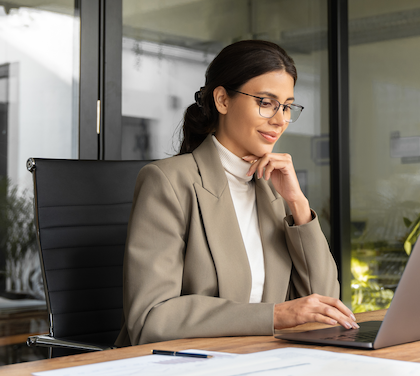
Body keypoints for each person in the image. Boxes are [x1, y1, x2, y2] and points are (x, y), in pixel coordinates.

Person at [115, 40, 357, 346]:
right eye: (266, 102)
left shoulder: (275, 189)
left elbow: (323, 305)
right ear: (222, 100)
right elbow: (151, 318)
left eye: (286, 106)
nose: (280, 119)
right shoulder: (168, 182)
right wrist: (274, 316)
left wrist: (298, 204)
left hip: (264, 359)